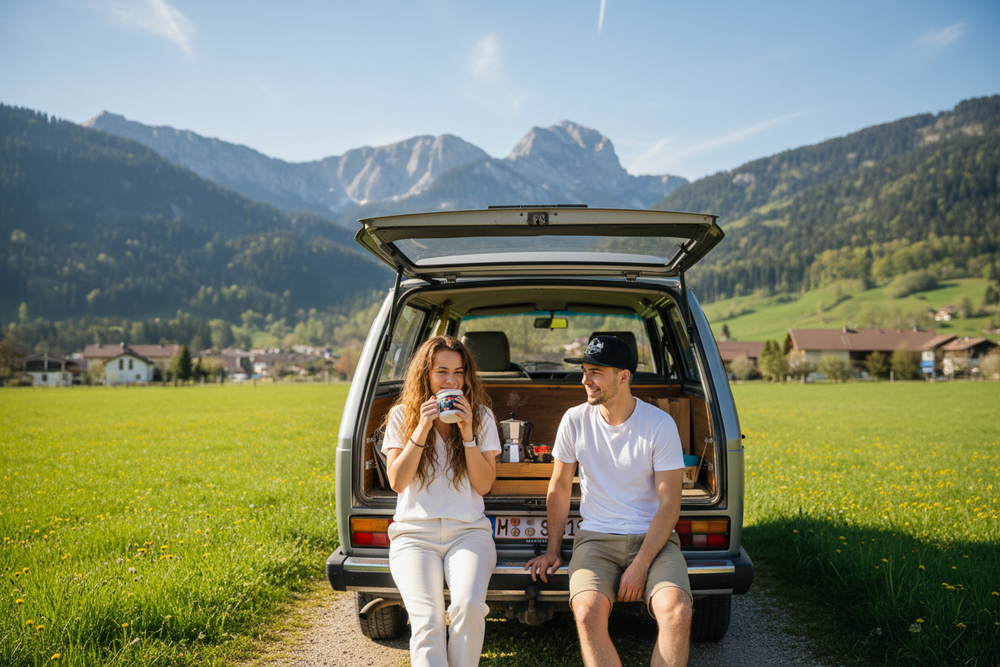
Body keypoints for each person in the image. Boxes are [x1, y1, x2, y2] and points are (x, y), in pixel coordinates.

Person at [525, 335, 692, 667]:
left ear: (624, 376)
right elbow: (558, 487)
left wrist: (641, 564)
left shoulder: (659, 425)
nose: (585, 380)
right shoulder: (574, 420)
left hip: (654, 541)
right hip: (597, 539)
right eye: (585, 370)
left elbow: (670, 503)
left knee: (678, 611)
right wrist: (553, 549)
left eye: (596, 372)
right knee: (586, 611)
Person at [382, 335, 501, 667]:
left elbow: (484, 485)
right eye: (442, 372)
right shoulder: (402, 417)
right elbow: (397, 481)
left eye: (459, 373)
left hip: (469, 533)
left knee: (468, 606)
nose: (452, 381)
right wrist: (420, 429)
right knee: (427, 620)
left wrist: (468, 434)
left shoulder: (481, 417)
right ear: (426, 375)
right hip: (413, 537)